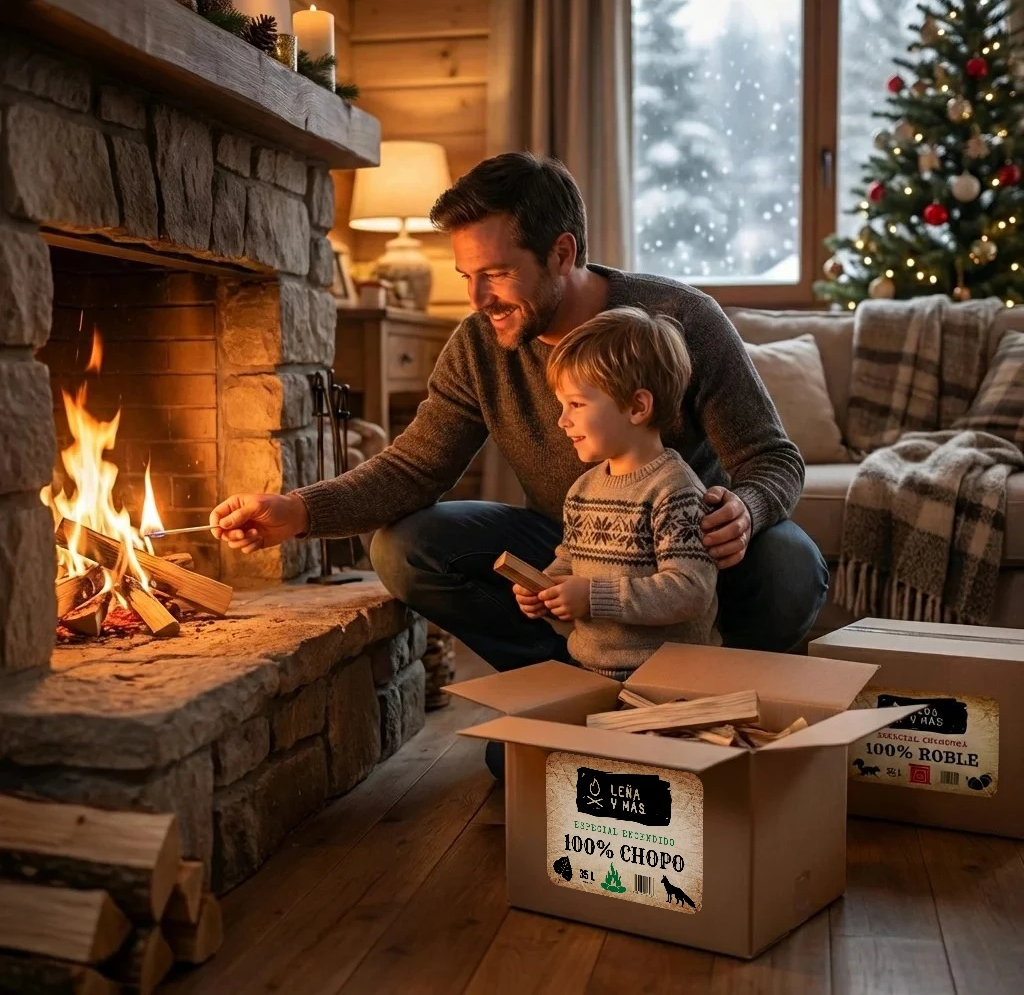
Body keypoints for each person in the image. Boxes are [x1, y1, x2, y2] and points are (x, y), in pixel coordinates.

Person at [211, 151, 828, 674]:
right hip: (576, 542)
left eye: (498, 274)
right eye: (466, 275)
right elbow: (414, 468)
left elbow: (771, 459)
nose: (478, 299)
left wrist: (747, 510)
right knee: (405, 548)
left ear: (562, 253)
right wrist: (299, 511)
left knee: (791, 566)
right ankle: (571, 680)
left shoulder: (682, 319)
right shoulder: (480, 344)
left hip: (690, 551)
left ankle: (703, 688)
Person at [516, 306, 720, 680]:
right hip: (592, 669)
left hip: (667, 675)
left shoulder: (674, 490)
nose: (563, 419)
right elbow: (570, 558)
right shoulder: (584, 488)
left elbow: (690, 590)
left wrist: (594, 597)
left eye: (576, 404)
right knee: (512, 739)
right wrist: (545, 588)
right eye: (562, 405)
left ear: (637, 406)